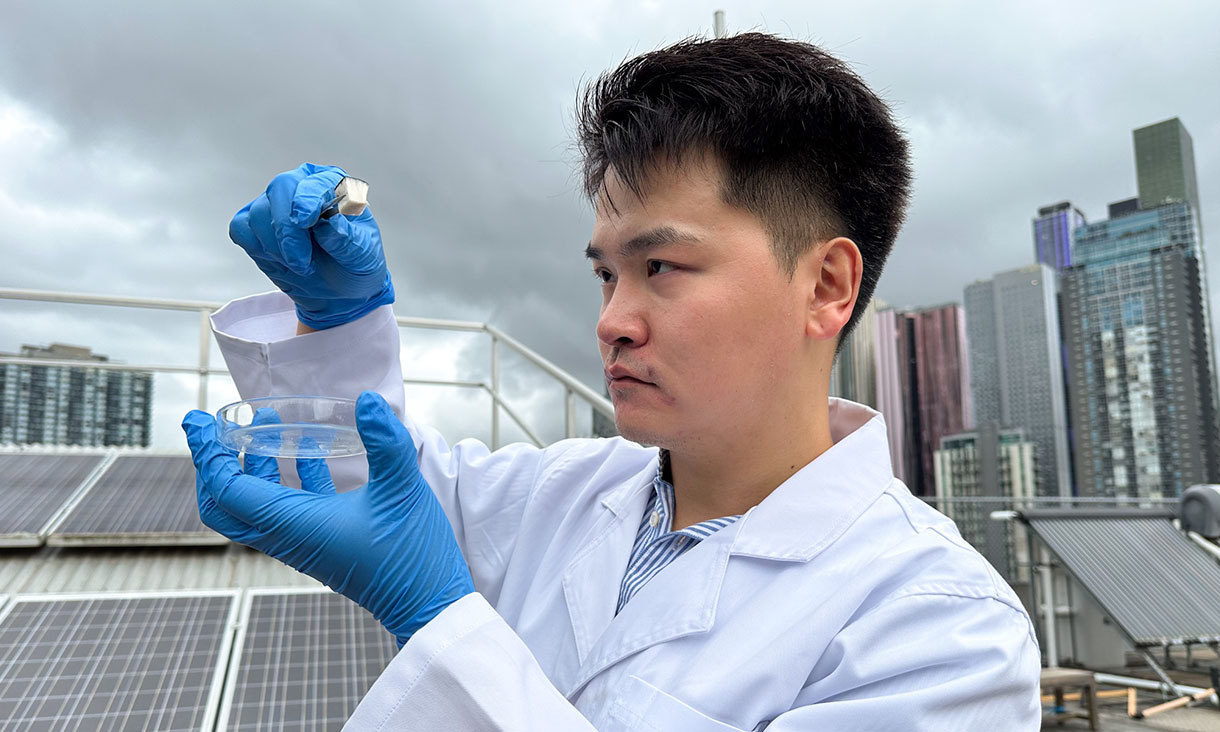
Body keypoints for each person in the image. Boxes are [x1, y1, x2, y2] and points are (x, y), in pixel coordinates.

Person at [183, 33, 1041, 731]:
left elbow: (415, 564)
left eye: (661, 265)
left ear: (825, 287)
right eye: (605, 275)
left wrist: (438, 620)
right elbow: (369, 489)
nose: (612, 321)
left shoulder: (942, 630)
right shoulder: (560, 494)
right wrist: (334, 325)